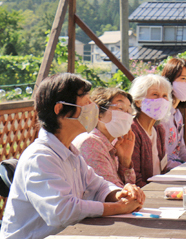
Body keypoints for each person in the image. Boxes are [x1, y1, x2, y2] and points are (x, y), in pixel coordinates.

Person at [0, 73, 145, 239]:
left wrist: (120, 194)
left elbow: (98, 186)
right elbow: (62, 212)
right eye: (86, 102)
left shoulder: (70, 152)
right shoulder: (40, 157)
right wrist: (118, 207)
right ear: (60, 109)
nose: (93, 107)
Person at [73, 87, 136, 187]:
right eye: (120, 108)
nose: (126, 115)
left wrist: (125, 161)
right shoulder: (90, 143)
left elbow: (128, 188)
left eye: (129, 111)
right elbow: (112, 191)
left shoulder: (112, 144)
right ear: (98, 113)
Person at [129, 74, 172, 187]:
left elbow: (162, 169)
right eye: (155, 95)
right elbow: (135, 179)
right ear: (138, 101)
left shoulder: (159, 129)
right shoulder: (132, 130)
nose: (161, 100)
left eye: (165, 95)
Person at [160, 58, 186, 169]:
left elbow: (181, 149)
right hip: (167, 172)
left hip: (178, 168)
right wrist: (184, 167)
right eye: (183, 79)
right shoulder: (161, 115)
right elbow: (161, 158)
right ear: (169, 80)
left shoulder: (177, 114)